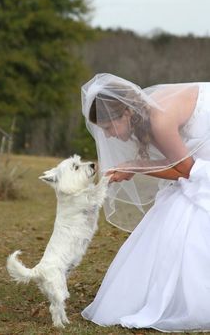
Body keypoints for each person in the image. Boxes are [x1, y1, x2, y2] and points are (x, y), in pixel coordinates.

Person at [80, 73, 210, 332]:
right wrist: (135, 166)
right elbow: (182, 166)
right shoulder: (148, 111)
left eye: (108, 128)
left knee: (185, 209)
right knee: (176, 208)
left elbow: (187, 170)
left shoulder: (159, 120)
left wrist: (136, 166)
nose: (110, 136)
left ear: (126, 113)